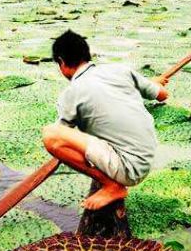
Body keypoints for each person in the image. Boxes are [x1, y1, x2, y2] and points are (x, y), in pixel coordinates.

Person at [42, 30, 169, 210]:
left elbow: (60, 138)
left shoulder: (71, 93)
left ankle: (112, 186)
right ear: (87, 55)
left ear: (61, 62)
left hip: (128, 169)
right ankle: (112, 179)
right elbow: (162, 95)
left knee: (51, 135)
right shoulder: (120, 70)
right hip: (147, 158)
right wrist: (153, 84)